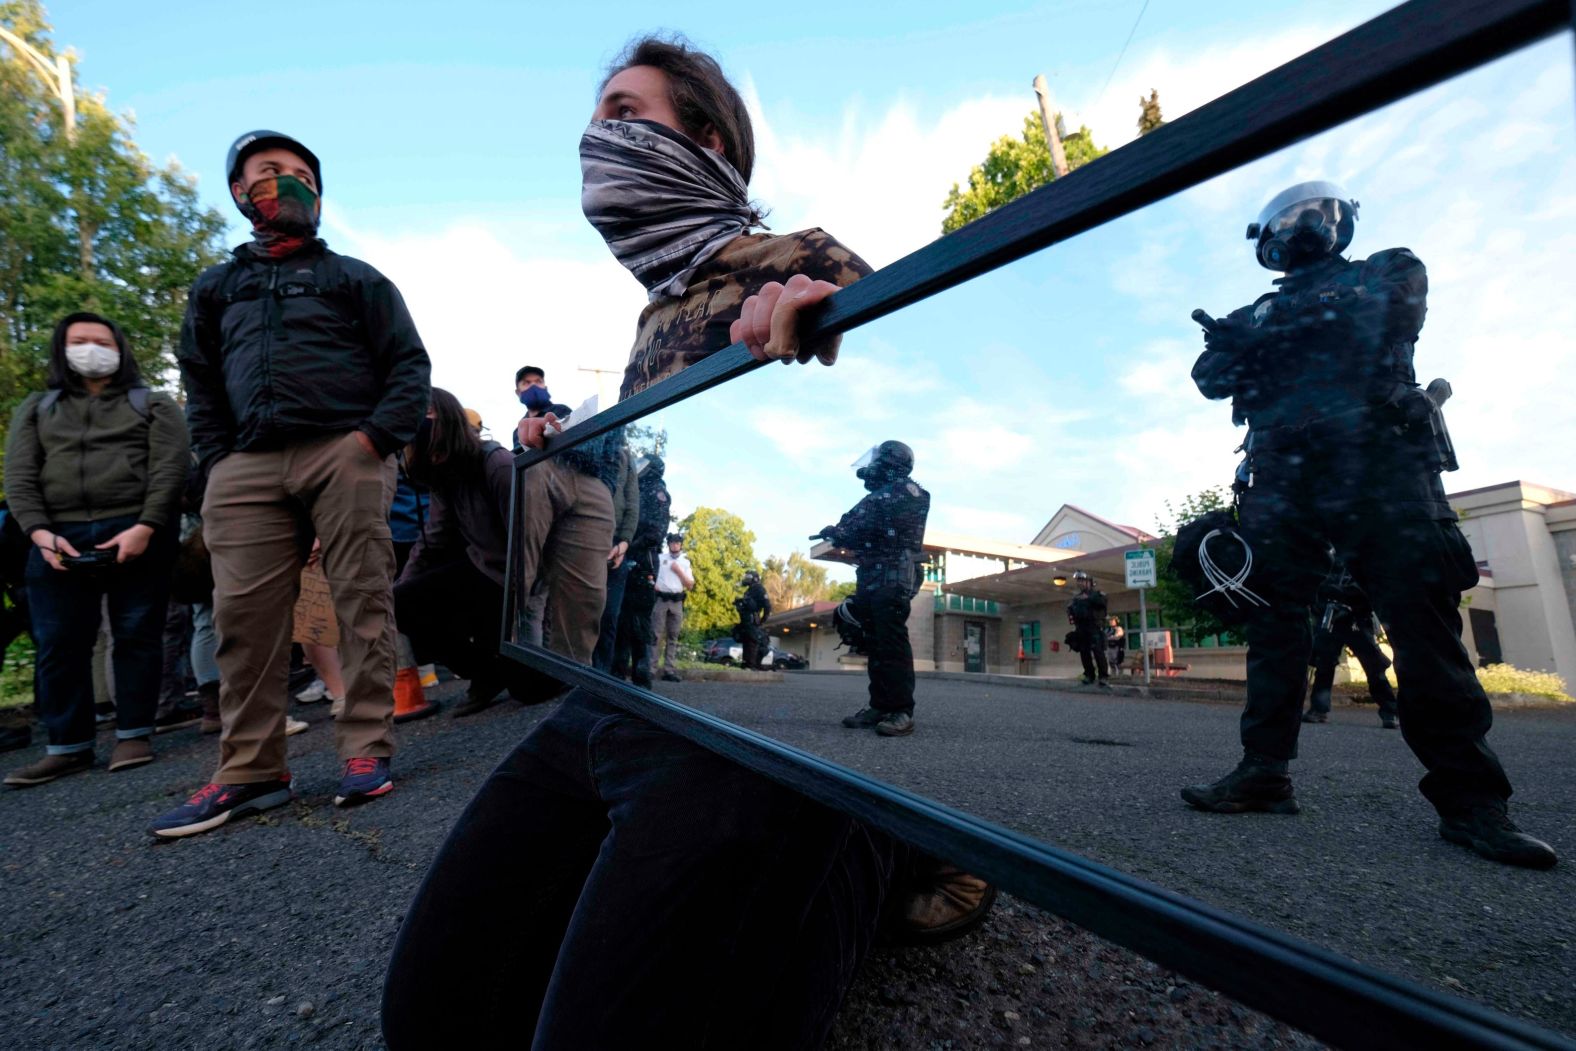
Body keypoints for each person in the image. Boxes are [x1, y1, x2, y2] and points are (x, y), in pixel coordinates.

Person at [383, 38, 983, 1049]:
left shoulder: (805, 256)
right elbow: (656, 470)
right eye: (593, 118)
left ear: (703, 139)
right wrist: (557, 447)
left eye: (625, 111)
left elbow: (916, 390)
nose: (597, 139)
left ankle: (893, 841)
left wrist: (830, 326)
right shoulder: (649, 320)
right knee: (435, 1020)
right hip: (620, 701)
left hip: (753, 746)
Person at [1180, 181, 1554, 868]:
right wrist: (1264, 333)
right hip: (1285, 477)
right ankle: (1264, 772)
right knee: (1274, 622)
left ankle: (1473, 802)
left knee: (1420, 619)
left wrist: (1268, 336)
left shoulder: (1386, 268)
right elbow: (1209, 375)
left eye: (1307, 217)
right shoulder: (1257, 309)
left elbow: (1389, 314)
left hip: (1380, 467)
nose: (1297, 229)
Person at [151, 130, 430, 837]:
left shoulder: (355, 278)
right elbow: (201, 383)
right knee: (242, 620)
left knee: (359, 602)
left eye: (303, 174)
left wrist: (369, 443)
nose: (289, 182)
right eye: (270, 172)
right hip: (245, 464)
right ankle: (250, 770)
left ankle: (366, 748)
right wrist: (216, 463)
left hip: (344, 450)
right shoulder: (215, 289)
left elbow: (408, 366)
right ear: (241, 193)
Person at [2, 312, 189, 786]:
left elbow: (170, 470)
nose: (90, 348)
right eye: (79, 341)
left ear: (120, 348)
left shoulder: (155, 404)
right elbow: (20, 477)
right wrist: (40, 535)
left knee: (137, 635)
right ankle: (67, 746)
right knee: (60, 643)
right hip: (56, 537)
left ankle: (134, 734)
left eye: (101, 341)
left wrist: (146, 527)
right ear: (61, 349)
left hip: (136, 529)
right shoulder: (38, 408)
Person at [393, 389, 524, 718]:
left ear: (445, 420)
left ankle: (515, 665)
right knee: (399, 602)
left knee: (530, 690)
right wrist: (401, 589)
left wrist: (530, 617)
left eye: (425, 416)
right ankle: (485, 673)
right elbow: (433, 538)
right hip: (480, 571)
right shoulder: (444, 473)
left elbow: (529, 545)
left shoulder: (498, 463)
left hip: (515, 584)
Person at [824, 441, 931, 737]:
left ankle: (901, 710)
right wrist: (842, 532)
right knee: (876, 642)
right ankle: (880, 706)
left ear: (890, 462)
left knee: (892, 643)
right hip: (874, 574)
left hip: (894, 576)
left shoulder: (906, 492)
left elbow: (859, 525)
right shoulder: (888, 493)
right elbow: (863, 529)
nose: (870, 469)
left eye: (878, 462)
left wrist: (838, 531)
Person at [1302, 564, 1399, 729]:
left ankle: (1390, 712)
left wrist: (1349, 600)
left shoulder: (1358, 556)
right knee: (1324, 664)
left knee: (1374, 668)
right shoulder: (1331, 557)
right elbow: (1316, 583)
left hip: (1356, 620)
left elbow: (1370, 588)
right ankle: (1318, 709)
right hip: (1331, 618)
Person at [611, 455, 671, 687]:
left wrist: (629, 545)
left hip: (642, 561)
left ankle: (641, 674)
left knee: (639, 621)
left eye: (644, 463)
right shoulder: (635, 489)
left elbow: (656, 533)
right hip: (628, 557)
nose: (639, 467)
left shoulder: (657, 493)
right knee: (622, 616)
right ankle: (617, 673)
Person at [591, 442, 640, 672]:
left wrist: (624, 543)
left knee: (609, 615)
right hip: (588, 537)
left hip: (616, 545)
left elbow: (633, 503)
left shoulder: (627, 458)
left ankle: (600, 675)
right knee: (585, 610)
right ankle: (576, 669)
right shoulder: (593, 446)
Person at [652, 532, 694, 681]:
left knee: (673, 636)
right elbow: (651, 575)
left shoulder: (685, 562)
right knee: (656, 634)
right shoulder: (660, 558)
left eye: (677, 542)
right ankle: (651, 668)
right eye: (672, 542)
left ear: (681, 544)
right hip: (662, 599)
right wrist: (654, 584)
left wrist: (679, 571)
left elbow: (690, 585)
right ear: (668, 544)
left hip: (676, 601)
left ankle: (669, 670)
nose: (675, 545)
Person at [1067, 571, 1110, 688]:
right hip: (1081, 628)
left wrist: (1089, 598)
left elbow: (1102, 603)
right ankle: (1089, 675)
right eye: (1078, 581)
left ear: (1089, 582)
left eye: (1082, 581)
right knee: (1084, 653)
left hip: (1094, 627)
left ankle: (1103, 677)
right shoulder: (1077, 598)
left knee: (1098, 652)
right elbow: (1071, 611)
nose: (1080, 583)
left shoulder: (1097, 595)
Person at [733, 568, 773, 670]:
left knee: (752, 641)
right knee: (745, 640)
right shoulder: (749, 590)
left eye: (749, 577)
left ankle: (752, 665)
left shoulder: (759, 589)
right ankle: (746, 664)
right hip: (745, 620)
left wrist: (763, 620)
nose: (746, 579)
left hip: (752, 619)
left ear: (755, 579)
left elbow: (767, 605)